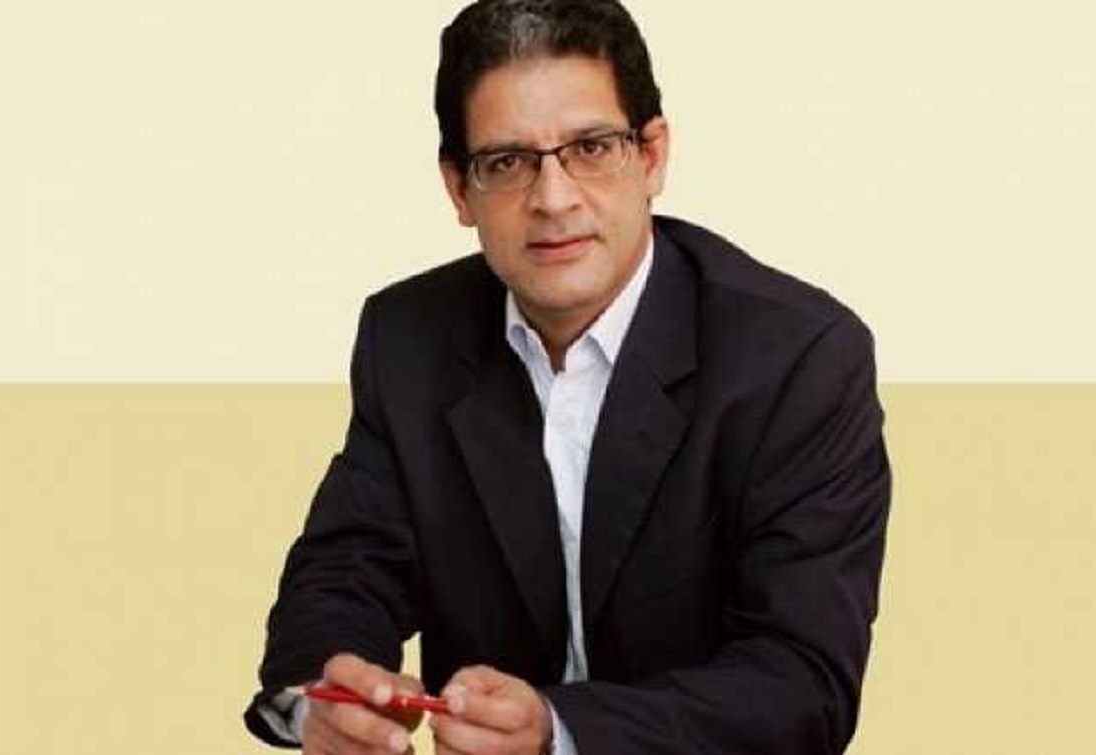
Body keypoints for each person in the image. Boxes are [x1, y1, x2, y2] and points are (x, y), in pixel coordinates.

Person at [245, 1, 892, 753]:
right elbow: (346, 569)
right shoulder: (410, 339)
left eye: (591, 147)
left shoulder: (798, 358)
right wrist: (323, 700)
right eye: (506, 162)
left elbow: (803, 683)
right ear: (458, 189)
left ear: (652, 156)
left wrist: (559, 731)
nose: (553, 199)